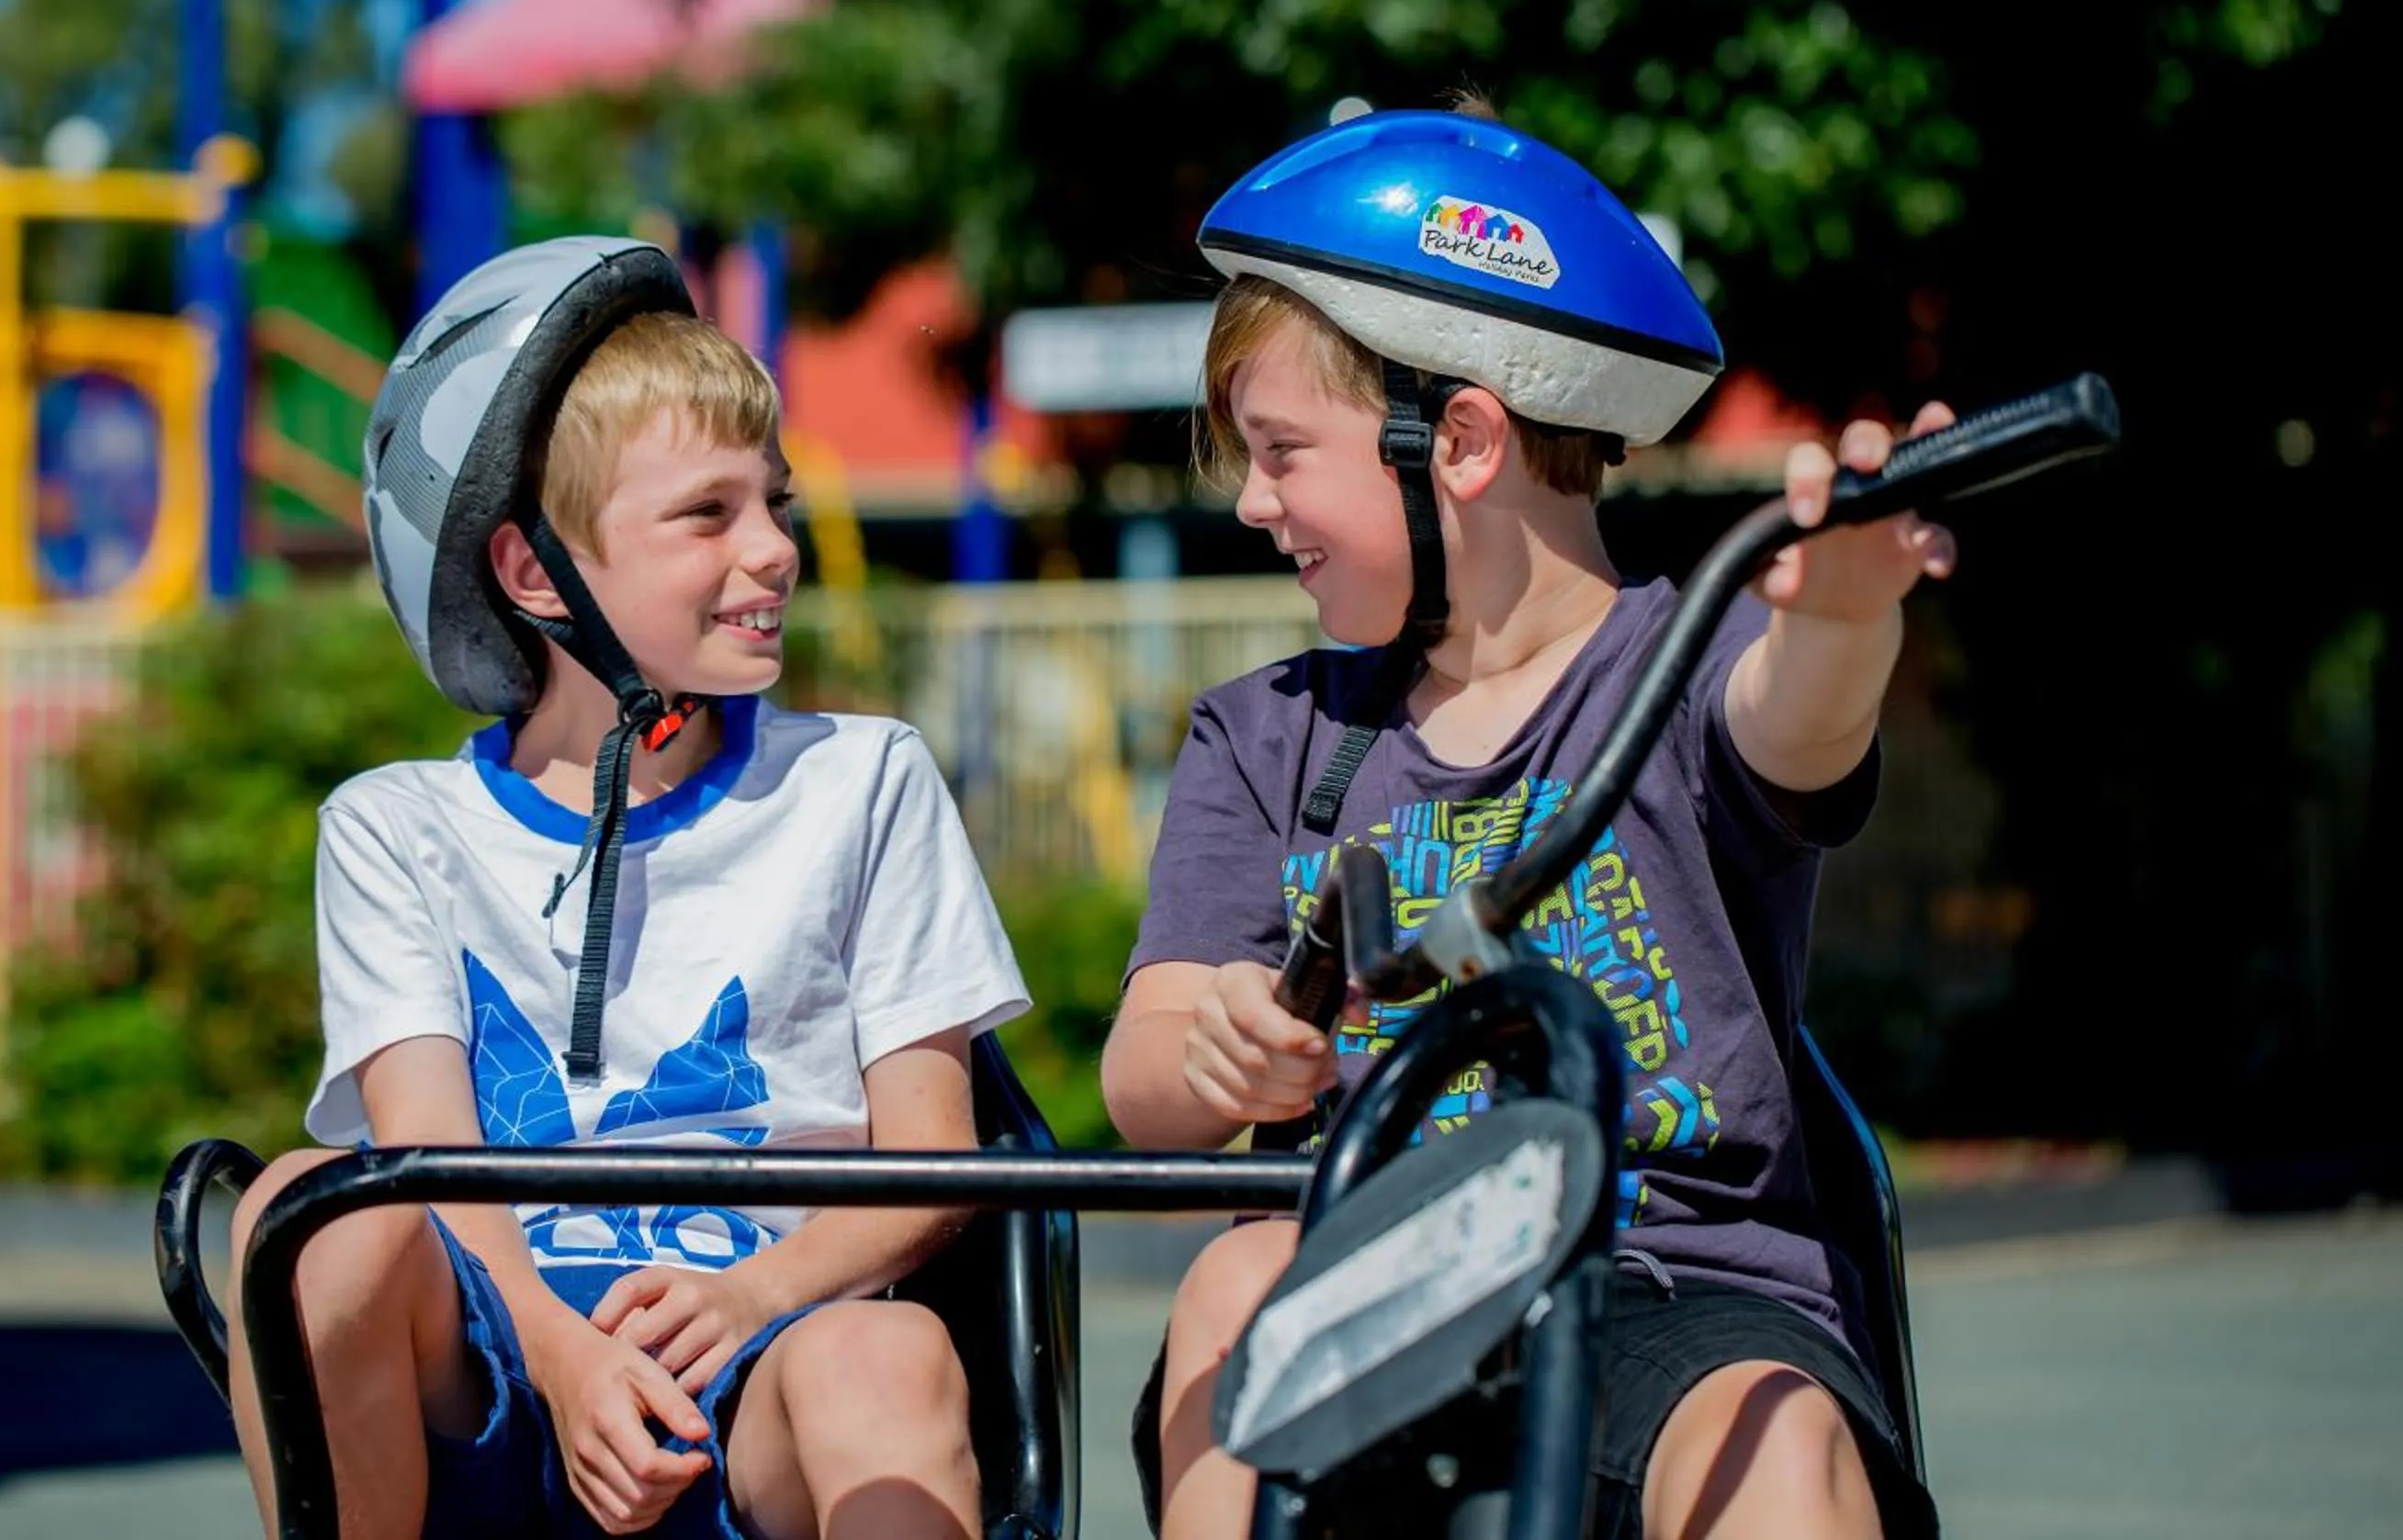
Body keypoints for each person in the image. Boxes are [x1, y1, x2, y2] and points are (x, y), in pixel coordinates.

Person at [1101, 99, 1947, 1540]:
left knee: (1780, 1440)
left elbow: (1794, 715)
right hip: (1360, 1272)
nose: (1251, 502)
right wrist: (1223, 1045)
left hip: (1675, 1280)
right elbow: (1141, 1079)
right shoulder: (1270, 736)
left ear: (1466, 443)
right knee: (1238, 1286)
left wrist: (1851, 612)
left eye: (1284, 449)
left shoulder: (1684, 674)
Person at [226, 238, 1030, 1540]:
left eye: (772, 501)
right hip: (497, 1374)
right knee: (303, 1212)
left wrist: (757, 1296)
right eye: (709, 514)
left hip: (767, 1361)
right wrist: (561, 1355)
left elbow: (938, 1160)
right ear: (536, 573)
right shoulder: (395, 829)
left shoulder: (865, 781)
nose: (774, 548)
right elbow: (428, 1160)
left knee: (888, 1362)